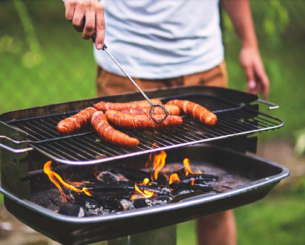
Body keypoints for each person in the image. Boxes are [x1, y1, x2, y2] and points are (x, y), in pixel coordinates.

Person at [63, 0, 270, 244]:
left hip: (204, 65)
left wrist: (249, 43)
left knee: (216, 199)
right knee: (129, 206)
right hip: (125, 67)